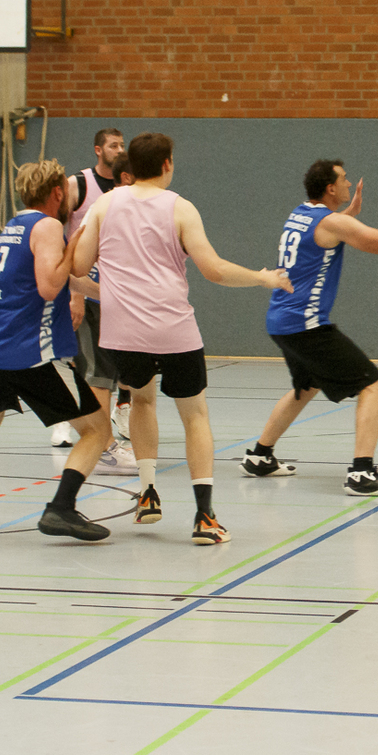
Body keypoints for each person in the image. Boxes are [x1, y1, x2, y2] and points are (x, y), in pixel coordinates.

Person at [73, 132, 292, 545]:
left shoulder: (105, 203)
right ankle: (205, 516)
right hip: (173, 330)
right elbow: (213, 269)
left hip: (122, 332)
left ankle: (148, 493)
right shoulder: (180, 208)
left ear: (130, 166)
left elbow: (81, 265)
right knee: (194, 415)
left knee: (140, 399)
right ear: (168, 163)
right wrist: (263, 278)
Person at [241, 160, 378, 495]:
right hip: (306, 325)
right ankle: (362, 473)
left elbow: (320, 237)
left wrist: (346, 215)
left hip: (280, 320)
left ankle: (260, 456)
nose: (349, 183)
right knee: (374, 385)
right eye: (344, 179)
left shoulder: (300, 213)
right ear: (330, 189)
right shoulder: (331, 222)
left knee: (305, 386)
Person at [0, 161, 114, 540]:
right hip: (33, 353)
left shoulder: (15, 225)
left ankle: (62, 508)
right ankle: (61, 508)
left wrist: (113, 296)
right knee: (96, 429)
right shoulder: (49, 226)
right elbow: (48, 286)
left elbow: (64, 279)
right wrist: (74, 244)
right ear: (57, 193)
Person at [49, 128, 126, 450]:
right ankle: (73, 422)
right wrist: (75, 292)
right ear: (98, 150)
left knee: (123, 360)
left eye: (122, 145)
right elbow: (62, 234)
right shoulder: (77, 185)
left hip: (118, 289)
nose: (119, 149)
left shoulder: (128, 186)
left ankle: (123, 409)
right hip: (84, 285)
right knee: (87, 364)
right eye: (113, 145)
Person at [107, 151, 135, 441]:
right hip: (100, 296)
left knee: (136, 363)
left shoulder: (143, 205)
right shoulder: (106, 205)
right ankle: (99, 436)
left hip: (130, 299)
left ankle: (124, 405)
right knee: (99, 372)